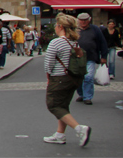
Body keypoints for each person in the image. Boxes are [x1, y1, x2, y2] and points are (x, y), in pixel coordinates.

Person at [43, 13, 91, 147]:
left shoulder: (56, 42)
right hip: (73, 78)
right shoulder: (74, 41)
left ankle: (79, 128)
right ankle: (60, 134)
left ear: (59, 26)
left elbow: (48, 64)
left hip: (59, 78)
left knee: (54, 105)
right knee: (63, 106)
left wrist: (48, 76)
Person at [75, 12, 107, 105]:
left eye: (85, 20)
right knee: (78, 78)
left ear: (89, 20)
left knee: (88, 77)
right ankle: (81, 94)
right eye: (81, 20)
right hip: (77, 58)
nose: (83, 22)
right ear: (78, 21)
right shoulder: (75, 30)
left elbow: (102, 43)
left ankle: (87, 97)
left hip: (91, 57)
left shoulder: (95, 29)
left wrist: (104, 56)